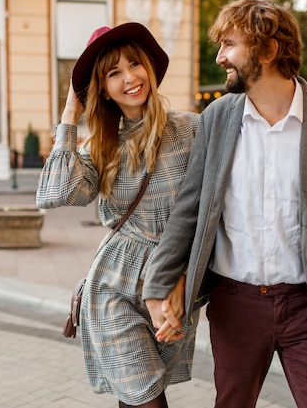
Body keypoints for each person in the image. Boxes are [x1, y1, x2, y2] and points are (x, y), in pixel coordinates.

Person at [143, 0, 307, 408]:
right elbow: (189, 210)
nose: (221, 57)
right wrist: (158, 284)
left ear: (270, 49)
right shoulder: (217, 119)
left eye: (229, 45)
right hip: (235, 304)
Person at [36, 23, 199, 408]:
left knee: (136, 397)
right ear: (102, 88)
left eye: (134, 65)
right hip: (113, 288)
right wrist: (70, 116)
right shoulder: (101, 148)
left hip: (172, 282)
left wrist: (182, 279)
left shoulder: (192, 129)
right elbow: (55, 194)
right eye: (113, 73)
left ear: (149, 67)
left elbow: (208, 213)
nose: (130, 78)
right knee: (146, 400)